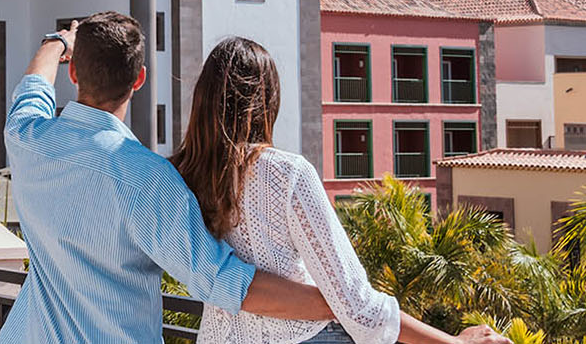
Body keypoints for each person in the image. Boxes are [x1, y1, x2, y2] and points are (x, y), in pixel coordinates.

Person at [0, 13, 505, 344]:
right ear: (139, 79)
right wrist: (338, 303)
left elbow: (31, 88)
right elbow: (224, 281)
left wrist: (58, 40)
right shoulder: (147, 179)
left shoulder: (27, 138)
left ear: (74, 74)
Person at [172, 37, 503, 344]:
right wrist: (455, 342)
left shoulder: (181, 175)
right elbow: (355, 302)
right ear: (267, 102)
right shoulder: (286, 173)